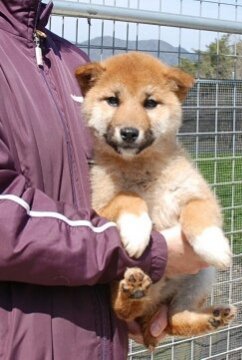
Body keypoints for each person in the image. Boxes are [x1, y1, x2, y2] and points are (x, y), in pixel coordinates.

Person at [0, 1, 207, 359]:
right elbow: (7, 224)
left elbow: (98, 187)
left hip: (98, 341)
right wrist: (152, 254)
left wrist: (142, 294)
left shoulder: (70, 61)